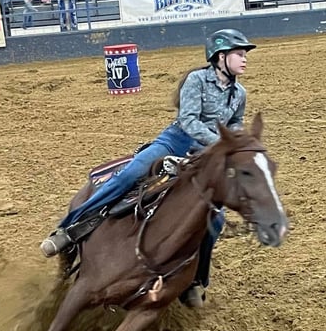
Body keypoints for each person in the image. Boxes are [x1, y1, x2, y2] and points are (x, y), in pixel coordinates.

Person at [40, 29, 258, 306]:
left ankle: (196, 280)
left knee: (214, 220)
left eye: (244, 55)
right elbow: (189, 121)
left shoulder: (239, 93)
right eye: (239, 54)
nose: (244, 59)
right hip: (176, 142)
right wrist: (222, 142)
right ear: (221, 57)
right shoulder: (197, 80)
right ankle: (67, 231)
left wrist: (235, 137)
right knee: (129, 175)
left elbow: (236, 121)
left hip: (205, 155)